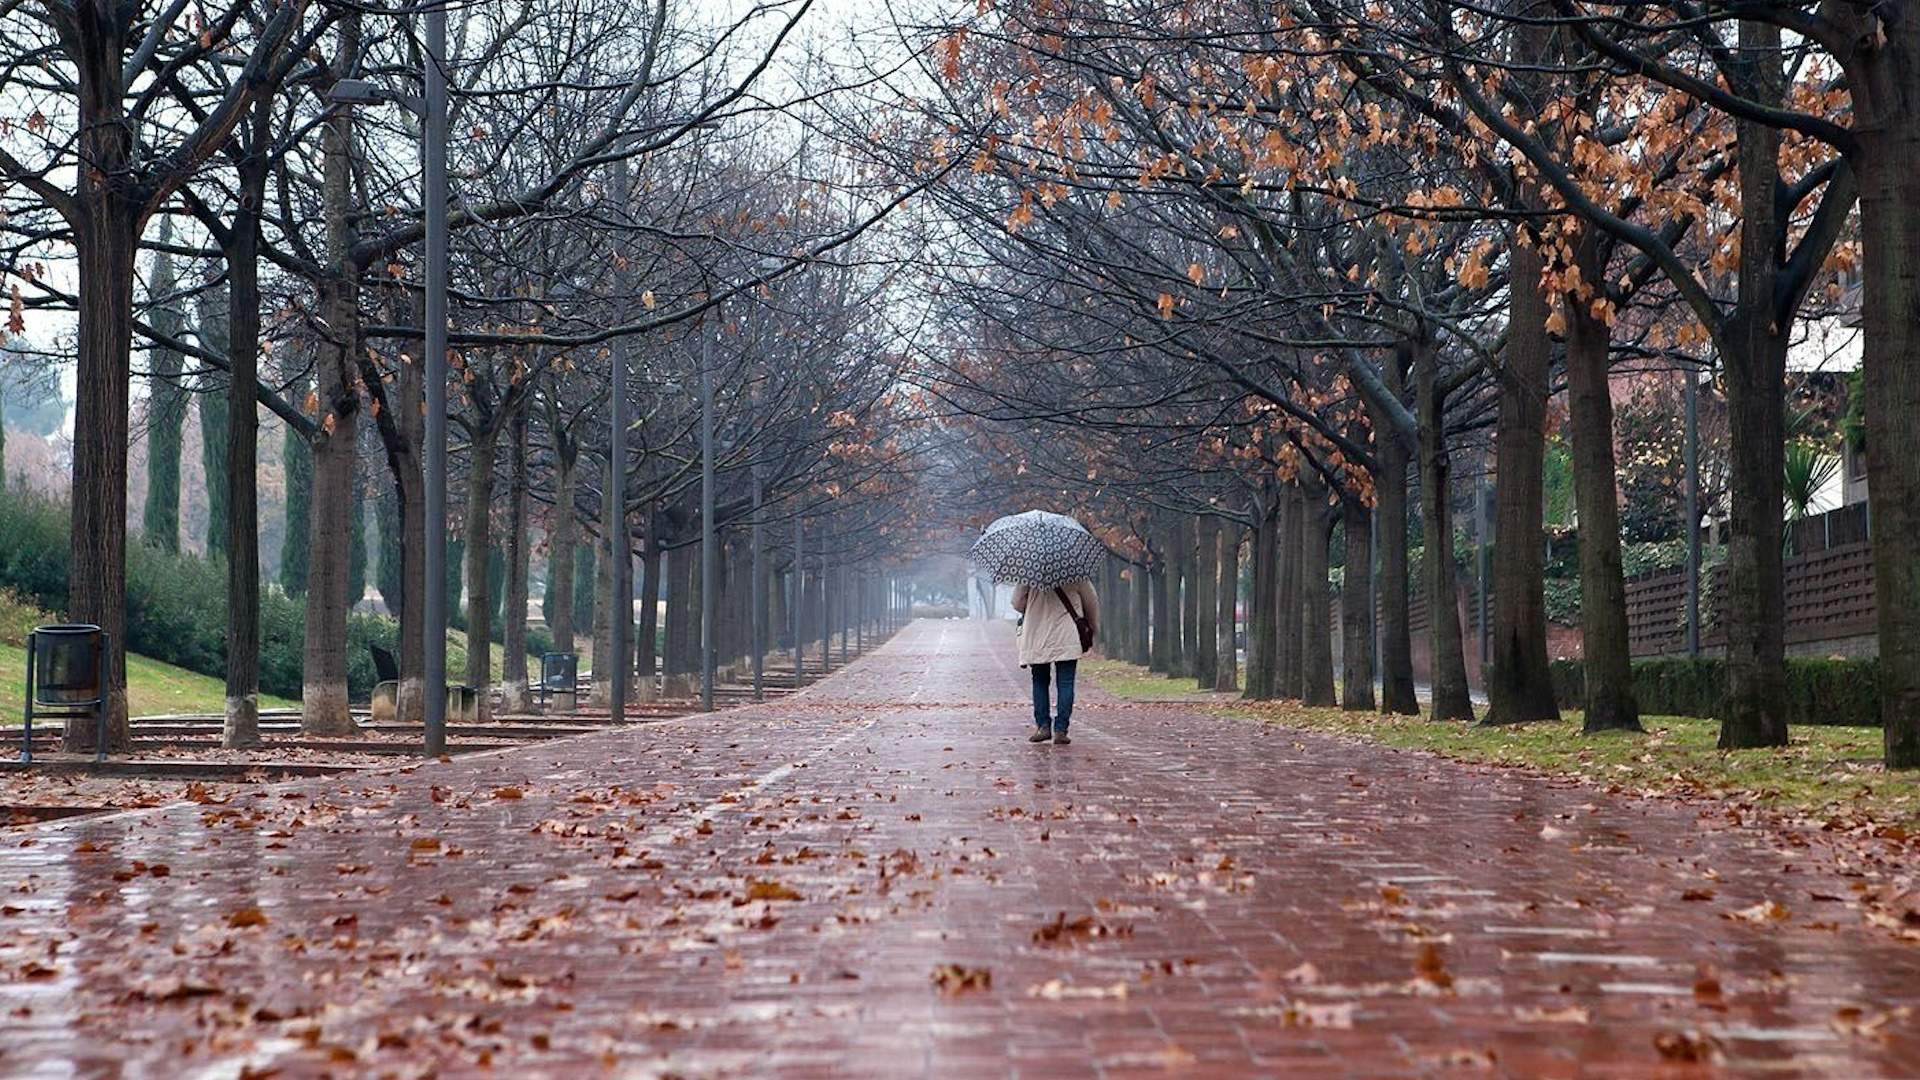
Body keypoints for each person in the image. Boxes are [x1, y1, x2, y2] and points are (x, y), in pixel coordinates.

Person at [1010, 579, 1098, 745]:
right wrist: (1092, 625)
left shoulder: (1030, 572)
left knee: (1039, 681)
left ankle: (1043, 726)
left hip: (1037, 634)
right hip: (1067, 634)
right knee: (1066, 682)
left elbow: (1017, 602)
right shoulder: (1076, 572)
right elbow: (1091, 601)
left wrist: (1034, 607)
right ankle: (1061, 729)